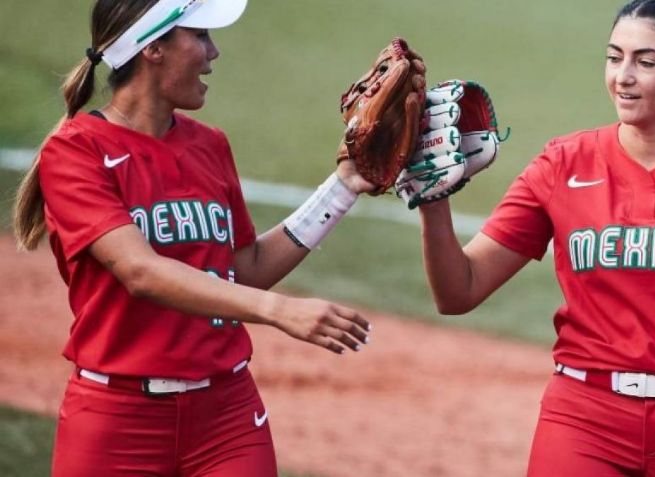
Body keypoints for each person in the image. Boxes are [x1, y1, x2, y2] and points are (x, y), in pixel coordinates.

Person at [12, 0, 423, 475]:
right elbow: (139, 271)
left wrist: (343, 186)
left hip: (226, 419)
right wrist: (277, 310)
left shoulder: (210, 145)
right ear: (154, 48)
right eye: (201, 36)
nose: (214, 52)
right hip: (115, 421)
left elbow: (242, 269)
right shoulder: (77, 151)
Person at [408, 1, 655, 476]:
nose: (623, 76)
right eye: (614, 57)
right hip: (584, 420)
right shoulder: (563, 164)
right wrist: (435, 202)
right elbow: (459, 291)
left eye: (646, 61)